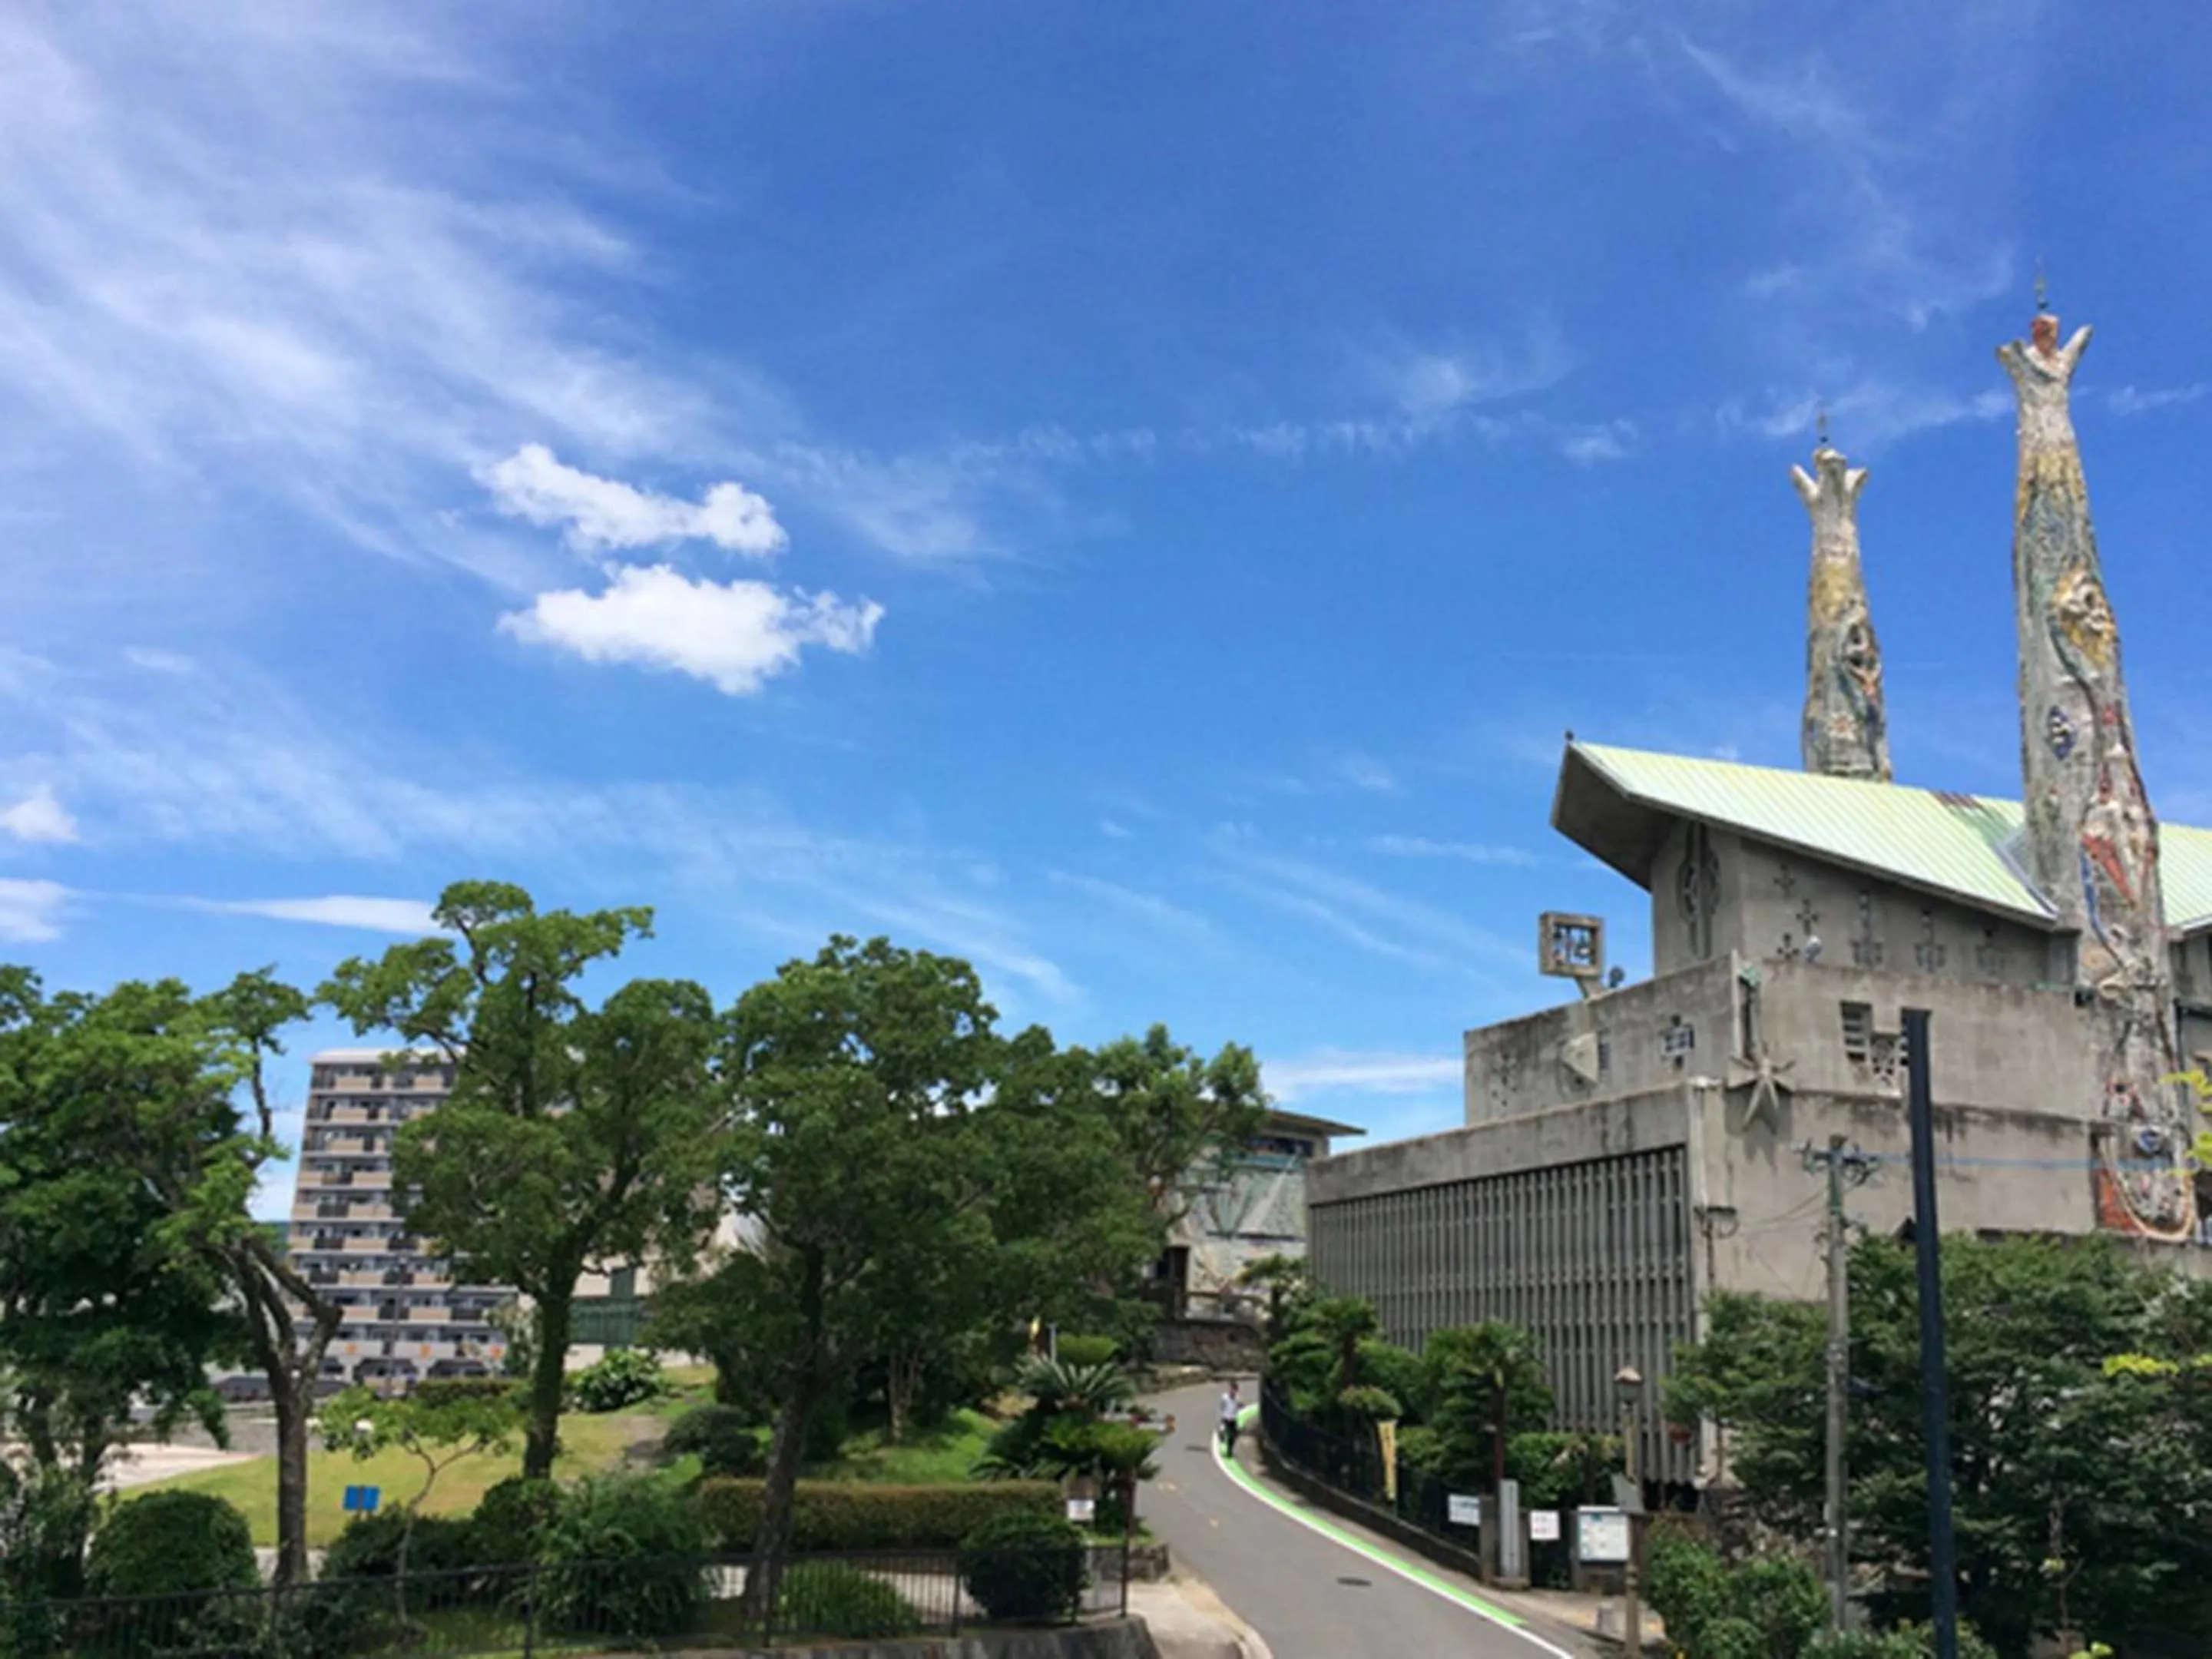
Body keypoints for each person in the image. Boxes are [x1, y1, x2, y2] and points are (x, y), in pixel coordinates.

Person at [1217, 1380, 1241, 1456]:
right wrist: (1222, 1416)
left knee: (1234, 1434)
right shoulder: (1225, 1397)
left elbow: (1237, 1407)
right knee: (1226, 1432)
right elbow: (1222, 1407)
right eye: (1231, 1389)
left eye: (1234, 1390)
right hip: (1226, 1418)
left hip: (1233, 1419)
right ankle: (1222, 1436)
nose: (1232, 1392)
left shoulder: (1237, 1398)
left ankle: (1230, 1450)